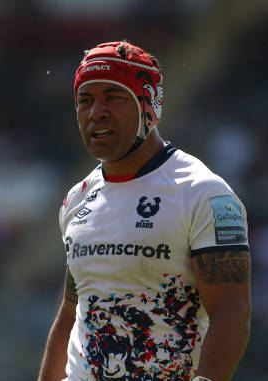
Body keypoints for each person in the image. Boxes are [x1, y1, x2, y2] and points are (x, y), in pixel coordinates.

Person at [38, 41, 251, 381]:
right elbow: (72, 311)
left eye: (113, 97)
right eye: (85, 100)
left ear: (148, 106)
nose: (96, 112)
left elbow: (232, 312)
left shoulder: (203, 193)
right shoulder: (76, 199)